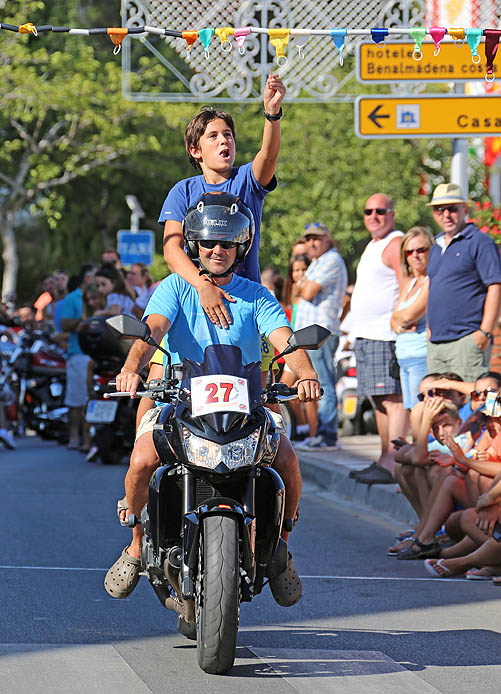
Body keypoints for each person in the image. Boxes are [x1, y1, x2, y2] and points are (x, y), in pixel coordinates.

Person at [104, 193, 321, 609]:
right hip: (182, 403)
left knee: (290, 463)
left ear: (240, 248)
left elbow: (284, 341)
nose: (217, 251)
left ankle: (282, 547)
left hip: (248, 407)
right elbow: (150, 331)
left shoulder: (257, 296)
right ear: (195, 247)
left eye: (226, 244)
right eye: (208, 243)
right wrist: (133, 367)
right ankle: (134, 544)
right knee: (140, 462)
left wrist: (307, 374)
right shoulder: (175, 287)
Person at [159, 74, 285, 329]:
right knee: (162, 368)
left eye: (228, 134)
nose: (223, 140)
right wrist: (203, 286)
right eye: (213, 136)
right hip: (194, 303)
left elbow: (269, 155)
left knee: (256, 370)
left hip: (246, 304)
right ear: (196, 151)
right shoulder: (182, 191)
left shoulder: (247, 180)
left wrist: (272, 115)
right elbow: (172, 251)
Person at [350, 194, 408, 483]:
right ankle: (384, 456)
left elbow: (406, 284)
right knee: (379, 400)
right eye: (368, 210)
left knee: (393, 399)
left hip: (386, 335)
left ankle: (395, 462)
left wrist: (400, 319)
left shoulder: (395, 242)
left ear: (392, 215)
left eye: (380, 211)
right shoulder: (374, 245)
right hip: (367, 334)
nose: (374, 215)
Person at [426, 183, 501, 382]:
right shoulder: (435, 246)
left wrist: (484, 332)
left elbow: (495, 285)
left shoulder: (480, 242)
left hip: (467, 340)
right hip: (436, 343)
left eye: (452, 208)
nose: (446, 214)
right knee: (438, 408)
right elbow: (432, 287)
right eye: (440, 209)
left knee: (471, 407)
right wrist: (428, 329)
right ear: (434, 214)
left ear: (465, 210)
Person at [294, 223, 347, 449]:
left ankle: (327, 436)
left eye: (317, 238)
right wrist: (303, 284)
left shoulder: (331, 260)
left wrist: (302, 283)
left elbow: (305, 292)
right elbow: (301, 290)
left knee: (323, 382)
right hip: (311, 332)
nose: (312, 243)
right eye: (308, 239)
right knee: (315, 382)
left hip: (321, 332)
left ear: (328, 239)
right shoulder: (318, 262)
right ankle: (319, 435)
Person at [391, 227, 434, 410]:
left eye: (421, 250)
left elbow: (408, 315)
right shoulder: (410, 284)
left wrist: (401, 319)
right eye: (409, 251)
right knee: (411, 410)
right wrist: (401, 322)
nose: (415, 255)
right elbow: (393, 321)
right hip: (404, 356)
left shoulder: (431, 280)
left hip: (420, 354)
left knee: (421, 410)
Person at [60, 264, 96, 450]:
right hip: (78, 354)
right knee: (76, 399)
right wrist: (85, 321)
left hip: (96, 354)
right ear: (86, 278)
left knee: (91, 397)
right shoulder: (72, 298)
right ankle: (74, 436)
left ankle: (89, 439)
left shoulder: (100, 297)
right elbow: (64, 324)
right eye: (93, 276)